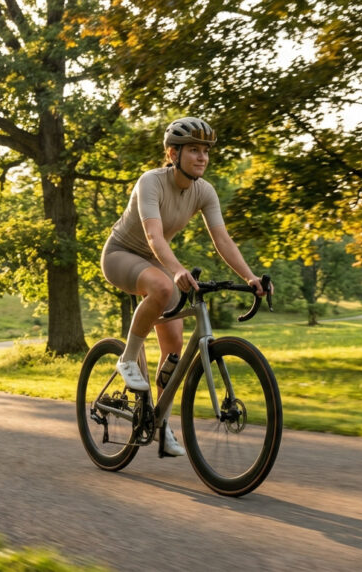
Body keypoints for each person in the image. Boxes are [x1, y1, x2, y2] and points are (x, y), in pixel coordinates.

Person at [100, 117, 268, 456]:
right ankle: (128, 360)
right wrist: (176, 270)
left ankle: (158, 422)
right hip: (122, 254)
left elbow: (222, 238)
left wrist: (250, 277)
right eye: (194, 149)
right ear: (172, 153)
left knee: (174, 349)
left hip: (156, 262)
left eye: (205, 151)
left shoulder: (203, 191)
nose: (202, 157)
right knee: (163, 287)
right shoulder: (151, 182)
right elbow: (153, 236)